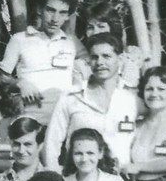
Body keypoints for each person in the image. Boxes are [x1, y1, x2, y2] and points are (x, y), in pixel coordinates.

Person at [43, 32, 140, 170]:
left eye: (106, 56)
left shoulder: (130, 99)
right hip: (78, 175)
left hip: (119, 177)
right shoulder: (71, 96)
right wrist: (53, 174)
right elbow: (52, 142)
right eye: (94, 57)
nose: (100, 62)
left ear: (119, 59)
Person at [0, 0, 81, 124]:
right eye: (50, 10)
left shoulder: (71, 43)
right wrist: (19, 83)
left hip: (64, 117)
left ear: (68, 16)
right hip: (30, 117)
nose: (55, 19)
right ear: (39, 9)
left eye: (62, 13)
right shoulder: (20, 39)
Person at [73, 0, 146, 90]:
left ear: (112, 28)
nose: (95, 32)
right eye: (90, 27)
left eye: (101, 26)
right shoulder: (81, 64)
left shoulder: (128, 60)